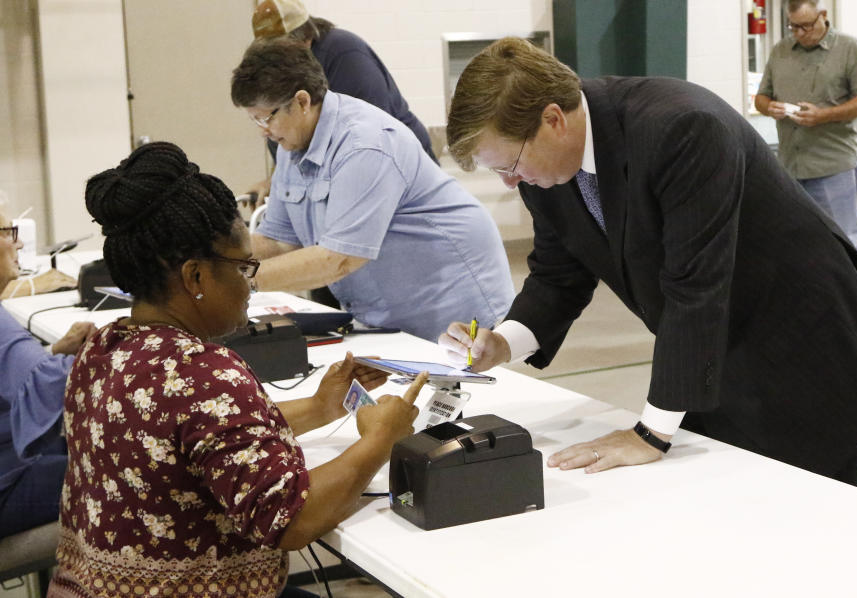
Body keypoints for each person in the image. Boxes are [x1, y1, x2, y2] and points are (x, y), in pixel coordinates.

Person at [438, 37, 857, 486]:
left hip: (804, 341)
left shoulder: (681, 127)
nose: (509, 182)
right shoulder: (548, 172)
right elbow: (559, 277)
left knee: (804, 516)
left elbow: (695, 285)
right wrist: (501, 343)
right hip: (713, 348)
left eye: (510, 164)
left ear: (553, 119)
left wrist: (650, 433)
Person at [48, 142, 426, 598]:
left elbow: (188, 440)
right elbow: (293, 519)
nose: (251, 286)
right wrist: (380, 439)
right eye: (245, 267)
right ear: (196, 277)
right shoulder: (202, 373)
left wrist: (320, 406)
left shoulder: (103, 349)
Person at [230, 38, 514, 342]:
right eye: (254, 120)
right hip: (386, 311)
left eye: (265, 117)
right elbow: (280, 239)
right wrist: (214, 254)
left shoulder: (363, 144)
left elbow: (339, 258)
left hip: (450, 300)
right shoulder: (291, 143)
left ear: (302, 102)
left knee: (462, 387)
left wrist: (236, 282)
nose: (263, 130)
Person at [245, 0, 436, 203]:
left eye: (280, 51)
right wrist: (276, 180)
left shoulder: (345, 54)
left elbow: (373, 137)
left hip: (399, 170)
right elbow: (285, 136)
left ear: (305, 39)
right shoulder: (280, 68)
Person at [0, 206, 95, 538]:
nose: (20, 245)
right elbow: (46, 386)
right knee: (130, 473)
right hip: (7, 483)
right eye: (9, 233)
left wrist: (53, 352)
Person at [755, 0, 857, 249]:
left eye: (806, 26)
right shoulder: (780, 51)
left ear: (823, 16)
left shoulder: (849, 48)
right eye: (793, 26)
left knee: (841, 243)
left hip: (833, 166)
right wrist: (770, 108)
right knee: (796, 244)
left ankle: (845, 289)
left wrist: (823, 116)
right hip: (790, 168)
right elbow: (761, 98)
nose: (799, 33)